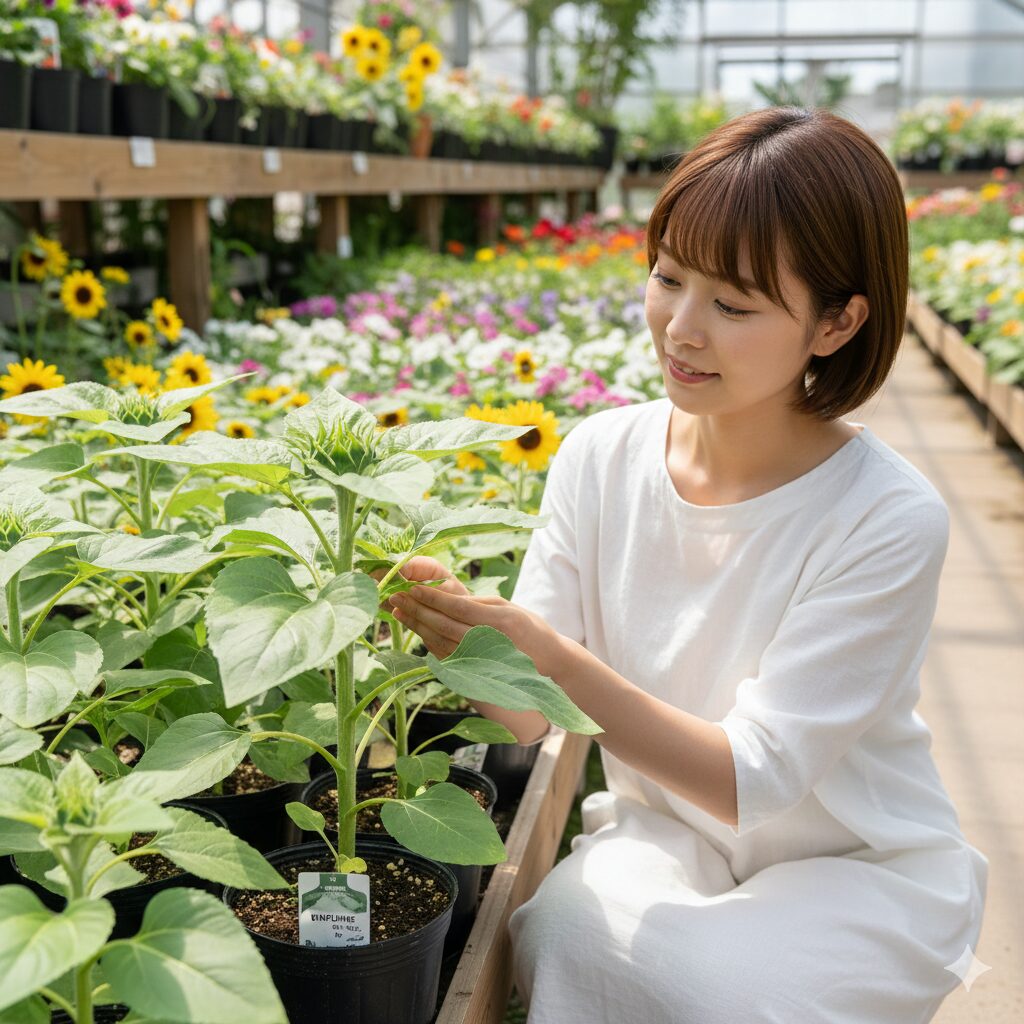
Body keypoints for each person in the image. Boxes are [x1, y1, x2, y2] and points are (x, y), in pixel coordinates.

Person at [387, 106, 988, 1023]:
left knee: (715, 990)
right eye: (668, 277)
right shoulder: (602, 454)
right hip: (667, 834)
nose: (681, 328)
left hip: (855, 869)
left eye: (734, 305)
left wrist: (554, 659)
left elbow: (754, 779)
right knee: (567, 940)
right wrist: (457, 633)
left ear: (836, 323)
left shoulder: (884, 513)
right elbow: (523, 711)